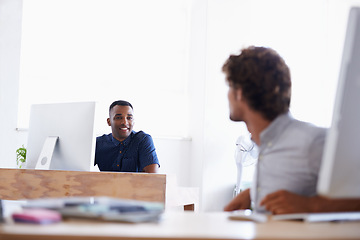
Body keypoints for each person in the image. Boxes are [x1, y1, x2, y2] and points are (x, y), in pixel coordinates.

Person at [222, 46, 360, 214]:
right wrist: (253, 194)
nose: (227, 95)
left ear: (239, 93)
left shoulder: (313, 142)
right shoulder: (264, 144)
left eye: (230, 86)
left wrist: (313, 206)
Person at [95, 100, 159, 173]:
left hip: (136, 184)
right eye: (119, 118)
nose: (125, 123)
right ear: (109, 121)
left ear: (133, 121)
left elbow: (153, 177)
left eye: (129, 118)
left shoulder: (143, 140)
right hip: (105, 184)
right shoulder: (98, 143)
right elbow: (80, 171)